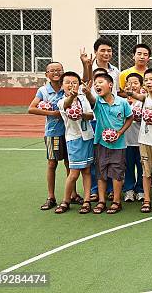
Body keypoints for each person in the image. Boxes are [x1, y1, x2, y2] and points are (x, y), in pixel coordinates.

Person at [28, 61, 80, 210]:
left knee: (70, 163)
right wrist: (52, 113)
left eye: (59, 70)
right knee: (52, 163)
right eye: (52, 70)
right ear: (47, 74)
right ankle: (51, 197)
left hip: (71, 132)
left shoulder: (68, 88)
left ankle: (73, 194)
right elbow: (31, 109)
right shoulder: (43, 91)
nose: (56, 73)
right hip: (53, 132)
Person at [82, 73, 134, 214]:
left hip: (119, 145)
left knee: (117, 173)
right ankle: (101, 201)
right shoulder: (98, 102)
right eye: (96, 84)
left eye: (100, 82)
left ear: (110, 85)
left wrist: (120, 132)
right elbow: (91, 99)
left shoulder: (122, 102)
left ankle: (117, 201)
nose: (97, 85)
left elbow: (130, 118)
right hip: (101, 144)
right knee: (101, 173)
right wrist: (87, 93)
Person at [126, 69, 152, 214]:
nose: (148, 82)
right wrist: (130, 91)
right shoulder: (144, 98)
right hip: (144, 141)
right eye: (146, 80)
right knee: (146, 173)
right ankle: (146, 200)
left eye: (151, 79)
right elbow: (135, 95)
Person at [55, 72, 95, 214]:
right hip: (74, 139)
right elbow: (65, 106)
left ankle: (87, 200)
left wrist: (81, 114)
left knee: (87, 171)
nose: (71, 85)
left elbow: (91, 115)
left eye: (74, 82)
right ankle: (66, 201)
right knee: (74, 173)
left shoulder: (83, 99)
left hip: (88, 138)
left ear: (79, 84)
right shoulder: (61, 101)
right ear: (62, 85)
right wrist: (72, 96)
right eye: (68, 82)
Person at [123, 73, 144, 202]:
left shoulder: (144, 101)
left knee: (142, 167)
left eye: (135, 83)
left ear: (141, 85)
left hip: (141, 141)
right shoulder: (122, 102)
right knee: (128, 166)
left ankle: (141, 189)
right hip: (126, 141)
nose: (132, 86)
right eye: (129, 83)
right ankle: (129, 190)